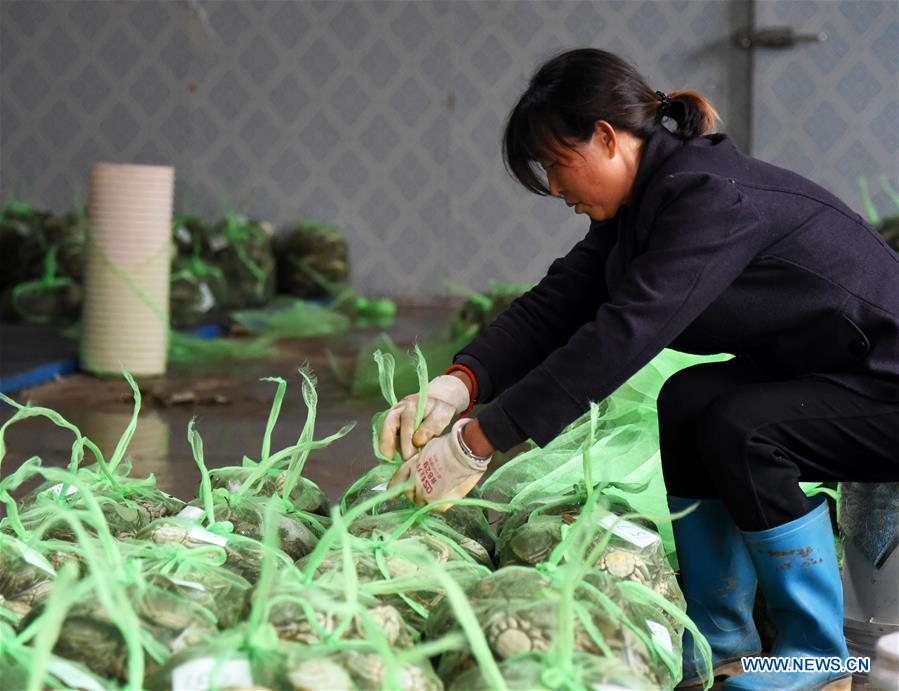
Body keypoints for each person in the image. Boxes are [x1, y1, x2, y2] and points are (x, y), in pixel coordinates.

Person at [380, 48, 899, 690]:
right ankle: (724, 640)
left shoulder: (710, 200)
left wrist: (479, 443)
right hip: (837, 379)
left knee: (746, 425)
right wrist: (459, 384)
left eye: (557, 165)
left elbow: (623, 335)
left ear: (605, 137)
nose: (556, 188)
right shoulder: (648, 203)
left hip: (887, 388)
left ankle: (819, 658)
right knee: (687, 398)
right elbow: (557, 304)